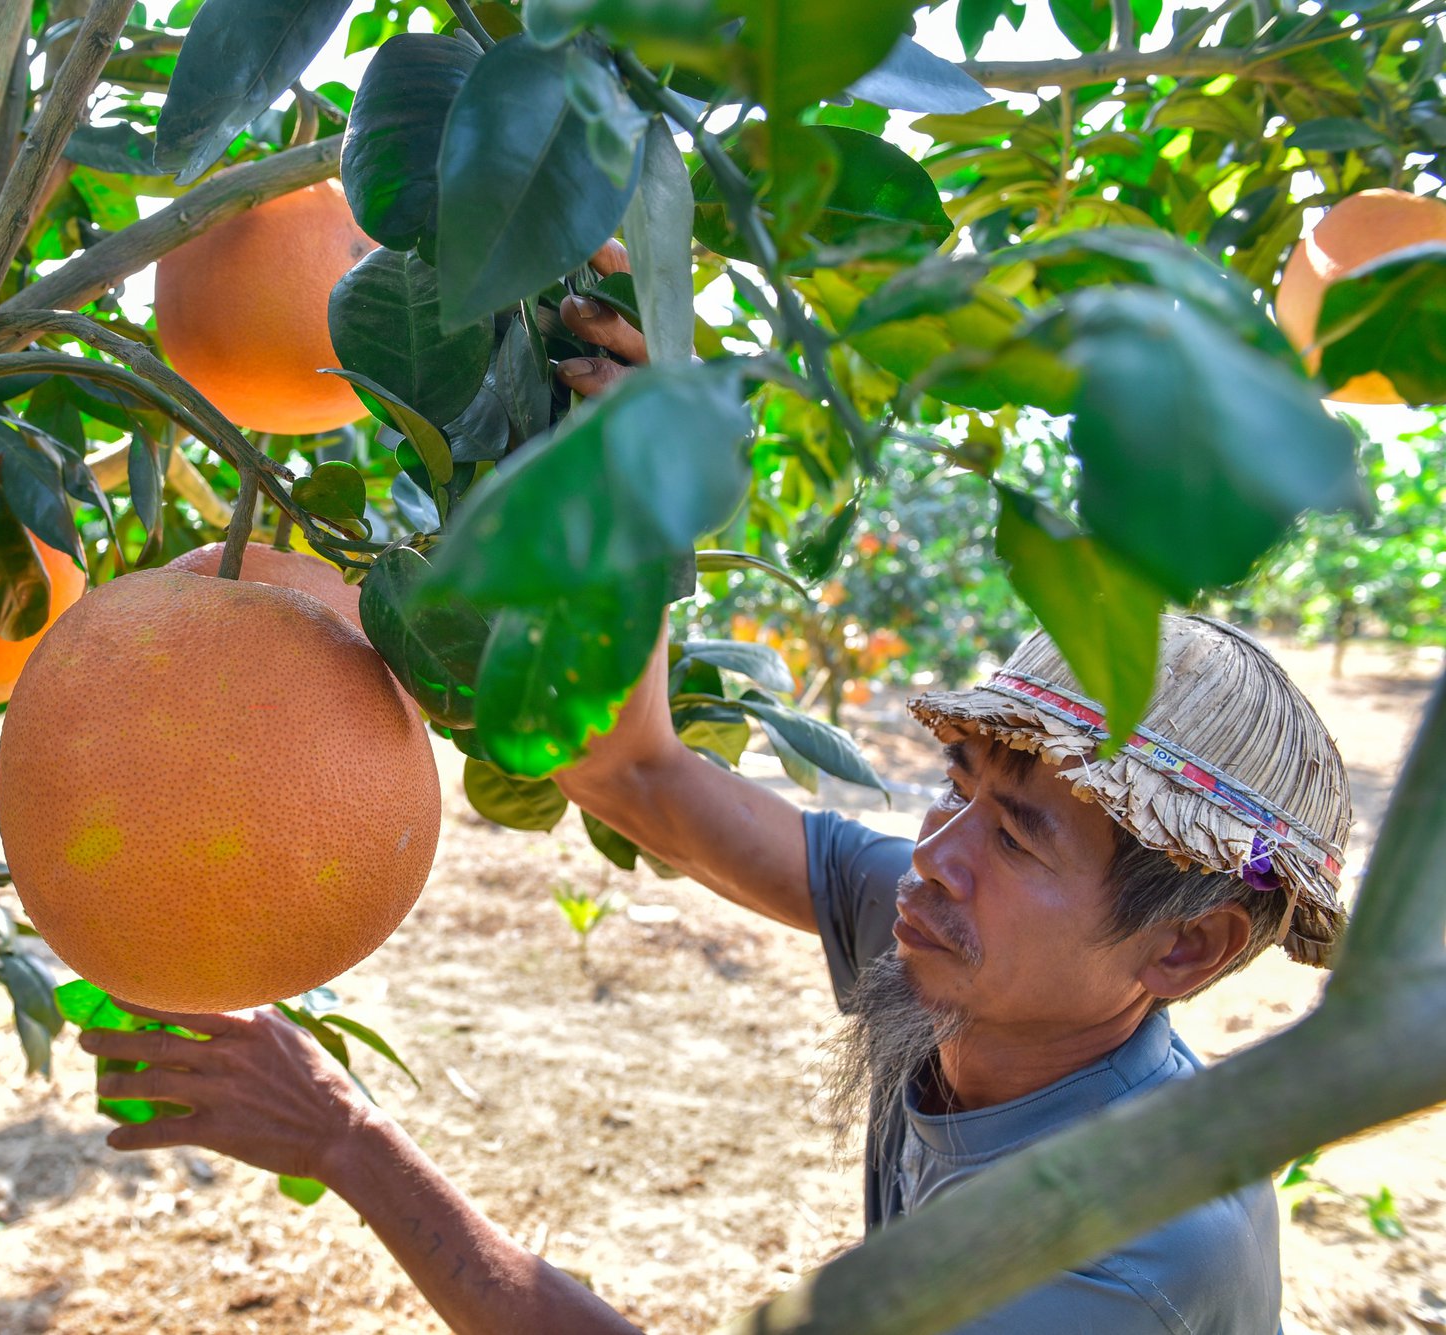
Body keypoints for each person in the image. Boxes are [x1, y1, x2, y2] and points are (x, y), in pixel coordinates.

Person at [78, 265, 1354, 1333]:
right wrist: (635, 467)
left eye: (1019, 833)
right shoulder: (963, 950)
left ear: (1185, 944)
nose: (936, 856)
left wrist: (345, 1139)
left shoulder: (1113, 1266)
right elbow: (634, 773)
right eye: (958, 788)